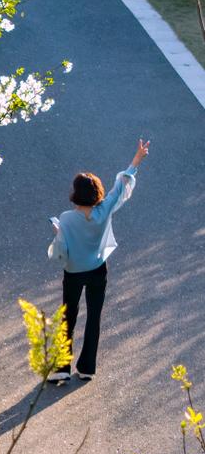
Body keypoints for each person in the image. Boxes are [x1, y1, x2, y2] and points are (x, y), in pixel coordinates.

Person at [46, 139, 149, 383]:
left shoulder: (67, 218)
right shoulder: (104, 211)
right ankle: (87, 368)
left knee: (68, 316)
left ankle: (61, 367)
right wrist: (137, 158)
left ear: (75, 194)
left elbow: (64, 246)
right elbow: (121, 184)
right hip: (98, 270)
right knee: (94, 316)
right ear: (96, 193)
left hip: (73, 272)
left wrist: (58, 231)